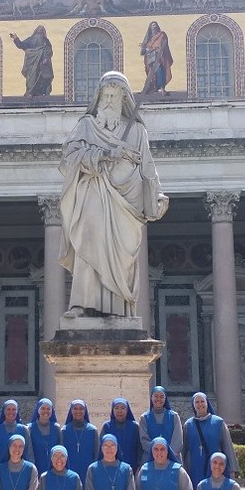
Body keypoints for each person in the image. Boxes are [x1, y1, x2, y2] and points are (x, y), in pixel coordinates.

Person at [59, 71, 168, 318]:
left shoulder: (137, 131)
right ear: (98, 98)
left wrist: (157, 195)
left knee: (123, 258)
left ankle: (120, 309)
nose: (108, 100)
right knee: (88, 241)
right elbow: (70, 159)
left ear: (124, 100)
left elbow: (148, 167)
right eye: (105, 95)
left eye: (114, 96)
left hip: (127, 203)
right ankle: (80, 304)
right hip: (93, 195)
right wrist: (106, 155)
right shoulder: (86, 126)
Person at [182, 391, 240, 488]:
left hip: (216, 468)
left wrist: (232, 469)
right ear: (193, 405)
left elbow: (227, 446)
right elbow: (183, 450)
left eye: (202, 401)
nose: (200, 404)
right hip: (194, 469)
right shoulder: (188, 425)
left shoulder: (218, 422)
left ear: (207, 403)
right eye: (197, 402)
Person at [61, 399, 99, 490]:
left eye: (81, 409)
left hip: (87, 473)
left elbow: (96, 454)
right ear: (71, 411)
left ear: (85, 411)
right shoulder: (64, 430)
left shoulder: (92, 430)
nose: (78, 411)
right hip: (69, 475)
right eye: (75, 409)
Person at [139, 386, 183, 461]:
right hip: (151, 459)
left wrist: (167, 454)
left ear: (165, 399)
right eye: (156, 396)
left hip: (172, 459)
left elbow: (178, 439)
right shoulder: (144, 418)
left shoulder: (174, 416)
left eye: (161, 397)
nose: (158, 399)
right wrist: (157, 454)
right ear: (151, 398)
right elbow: (144, 440)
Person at [9, 26, 54, 97]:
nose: (39, 32)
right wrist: (16, 39)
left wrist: (46, 58)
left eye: (41, 30)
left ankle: (40, 92)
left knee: (43, 78)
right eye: (39, 30)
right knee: (31, 77)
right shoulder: (31, 40)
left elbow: (49, 50)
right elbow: (22, 45)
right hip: (32, 63)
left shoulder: (45, 41)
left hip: (42, 64)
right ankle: (30, 92)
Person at [100, 397, 142, 471]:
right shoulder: (107, 426)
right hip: (110, 468)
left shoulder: (135, 426)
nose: (119, 411)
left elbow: (140, 449)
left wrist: (139, 467)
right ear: (113, 410)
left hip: (132, 468)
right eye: (116, 408)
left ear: (127, 410)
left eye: (123, 408)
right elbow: (101, 448)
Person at [0, 399, 33, 467]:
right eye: (8, 409)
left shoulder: (24, 430)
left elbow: (29, 453)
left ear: (17, 411)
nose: (11, 412)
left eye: (14, 409)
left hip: (20, 471)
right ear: (4, 411)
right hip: (0, 471)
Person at [140, 21, 173, 95]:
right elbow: (145, 49)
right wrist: (146, 49)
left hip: (159, 58)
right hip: (150, 59)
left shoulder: (162, 35)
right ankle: (150, 88)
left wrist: (155, 49)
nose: (153, 27)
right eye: (152, 26)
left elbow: (164, 45)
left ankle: (162, 89)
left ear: (157, 27)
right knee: (150, 74)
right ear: (150, 28)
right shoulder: (149, 38)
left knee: (160, 72)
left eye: (155, 25)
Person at [28, 397, 61, 467]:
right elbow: (29, 452)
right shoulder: (30, 428)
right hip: (35, 467)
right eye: (42, 408)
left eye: (48, 409)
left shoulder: (56, 428)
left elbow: (60, 449)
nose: (46, 411)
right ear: (38, 410)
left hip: (53, 468)